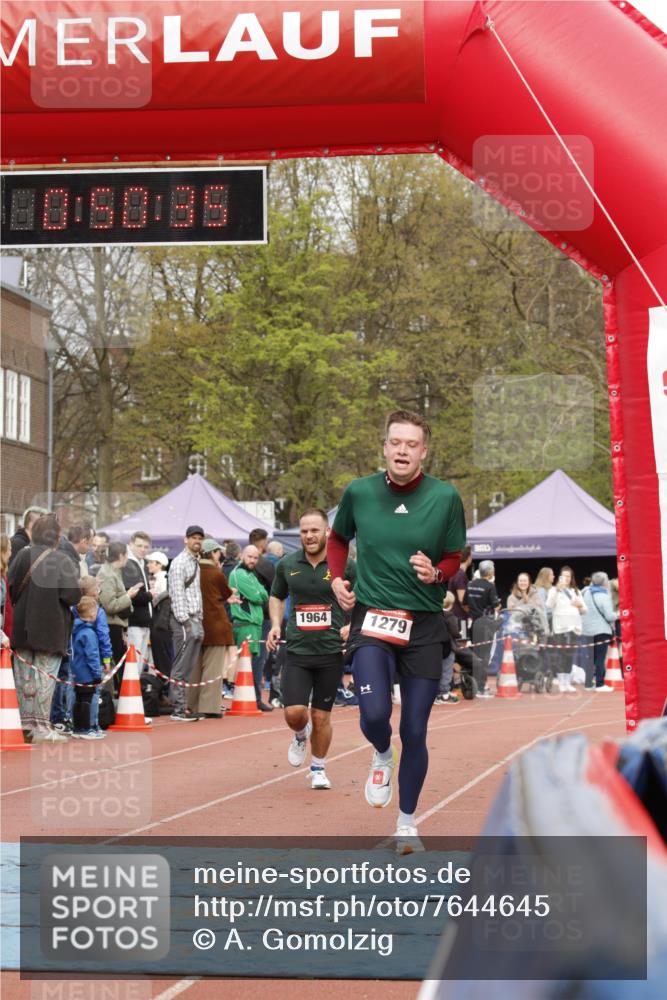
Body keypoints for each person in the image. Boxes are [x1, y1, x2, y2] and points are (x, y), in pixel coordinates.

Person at [327, 410, 466, 853]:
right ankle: (381, 753)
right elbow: (337, 539)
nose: (402, 450)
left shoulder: (445, 497)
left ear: (424, 451)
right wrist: (335, 579)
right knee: (372, 714)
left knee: (417, 730)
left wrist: (437, 574)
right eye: (396, 443)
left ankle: (407, 823)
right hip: (372, 617)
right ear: (385, 447)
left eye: (411, 444)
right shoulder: (360, 492)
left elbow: (452, 556)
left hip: (424, 625)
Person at [268, 509, 356, 790]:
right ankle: (299, 734)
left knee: (321, 716)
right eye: (304, 531)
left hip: (331, 651)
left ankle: (318, 768)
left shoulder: (344, 564)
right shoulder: (287, 564)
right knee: (294, 713)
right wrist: (275, 624)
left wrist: (352, 624)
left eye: (314, 530)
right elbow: (276, 596)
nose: (308, 536)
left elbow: (364, 594)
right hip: (297, 650)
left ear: (327, 532)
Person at [8, 514, 82, 743]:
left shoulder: (21, 555)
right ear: (56, 537)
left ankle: (22, 724)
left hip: (21, 628)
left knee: (23, 677)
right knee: (45, 677)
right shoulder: (62, 560)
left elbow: (10, 586)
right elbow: (72, 596)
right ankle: (41, 726)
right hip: (50, 629)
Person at [187, 538, 239, 718]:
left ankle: (191, 704)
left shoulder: (193, 569)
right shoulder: (215, 573)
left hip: (195, 623)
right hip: (215, 624)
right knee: (213, 668)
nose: (220, 555)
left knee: (195, 667)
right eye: (218, 552)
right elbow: (226, 593)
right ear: (212, 553)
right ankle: (209, 706)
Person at [168, 525, 205, 721]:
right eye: (193, 538)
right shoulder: (180, 562)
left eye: (199, 538)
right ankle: (178, 708)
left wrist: (199, 619)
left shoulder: (194, 562)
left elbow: (195, 592)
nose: (197, 541)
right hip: (185, 620)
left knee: (188, 664)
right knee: (181, 664)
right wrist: (185, 621)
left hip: (195, 618)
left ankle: (182, 706)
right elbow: (177, 593)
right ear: (186, 540)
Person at [229, 545, 272, 711]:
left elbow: (264, 594)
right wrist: (257, 593)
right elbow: (257, 596)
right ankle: (254, 699)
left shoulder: (250, 574)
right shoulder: (238, 574)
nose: (253, 560)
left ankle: (255, 698)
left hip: (254, 624)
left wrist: (258, 593)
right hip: (246, 624)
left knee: (256, 663)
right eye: (250, 557)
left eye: (255, 558)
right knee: (251, 663)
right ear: (241, 556)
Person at [97, 541, 142, 676]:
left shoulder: (114, 572)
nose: (128, 558)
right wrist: (128, 596)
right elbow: (109, 605)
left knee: (121, 669)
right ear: (121, 556)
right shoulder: (107, 574)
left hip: (118, 626)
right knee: (119, 670)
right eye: (127, 554)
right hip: (112, 627)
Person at [464, 560, 501, 698]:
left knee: (474, 654)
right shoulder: (490, 586)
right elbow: (497, 607)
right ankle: (480, 687)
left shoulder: (471, 584)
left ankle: (474, 683)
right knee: (484, 656)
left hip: (473, 623)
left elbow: (465, 605)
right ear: (491, 572)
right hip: (486, 625)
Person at [546, 565, 586, 692]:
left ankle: (567, 682)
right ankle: (561, 682)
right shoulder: (554, 590)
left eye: (569, 576)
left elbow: (585, 610)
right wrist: (557, 590)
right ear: (560, 577)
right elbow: (549, 605)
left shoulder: (576, 591)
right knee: (561, 655)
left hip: (574, 627)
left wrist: (579, 606)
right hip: (560, 628)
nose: (567, 579)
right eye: (564, 576)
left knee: (570, 655)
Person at [70, 595, 103, 739]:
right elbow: (92, 655)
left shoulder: (75, 630)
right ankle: (85, 728)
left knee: (78, 698)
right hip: (87, 673)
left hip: (76, 670)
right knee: (86, 700)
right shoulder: (89, 633)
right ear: (91, 613)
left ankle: (77, 727)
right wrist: (97, 674)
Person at [122, 531, 153, 667]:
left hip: (143, 621)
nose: (143, 549)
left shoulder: (142, 563)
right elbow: (133, 594)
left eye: (146, 547)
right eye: (139, 546)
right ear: (131, 545)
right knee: (133, 664)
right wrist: (150, 594)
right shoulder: (129, 564)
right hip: (134, 621)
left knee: (139, 663)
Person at [581, 572, 616, 691]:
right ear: (604, 582)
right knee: (600, 657)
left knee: (590, 657)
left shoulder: (585, 592)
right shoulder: (603, 596)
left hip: (586, 630)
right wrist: (621, 614)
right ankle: (600, 684)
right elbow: (610, 616)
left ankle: (588, 684)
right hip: (601, 630)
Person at [147, 551, 173, 694]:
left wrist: (152, 596)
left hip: (161, 626)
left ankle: (166, 691)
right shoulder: (158, 579)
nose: (149, 565)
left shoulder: (163, 579)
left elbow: (162, 600)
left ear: (159, 565)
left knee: (162, 661)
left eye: (152, 562)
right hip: (160, 626)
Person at [434, 592, 460, 705]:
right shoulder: (450, 616)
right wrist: (459, 635)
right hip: (448, 647)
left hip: (435, 646)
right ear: (450, 604)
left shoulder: (434, 614)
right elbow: (455, 632)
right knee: (446, 670)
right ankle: (444, 693)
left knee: (435, 670)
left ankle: (434, 693)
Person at [448, 545, 472, 638]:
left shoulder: (453, 571)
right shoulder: (460, 574)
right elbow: (462, 600)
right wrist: (471, 613)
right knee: (462, 645)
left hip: (453, 615)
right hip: (460, 618)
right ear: (468, 557)